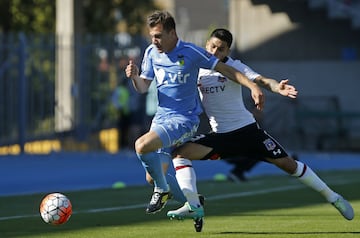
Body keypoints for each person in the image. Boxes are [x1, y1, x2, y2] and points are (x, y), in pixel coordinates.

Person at [166, 29, 354, 230]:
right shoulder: (198, 68)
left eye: (221, 49)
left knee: (289, 165)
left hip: (248, 132)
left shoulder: (234, 66)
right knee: (180, 154)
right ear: (206, 44)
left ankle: (333, 197)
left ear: (228, 51)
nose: (215, 52)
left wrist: (276, 87)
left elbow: (261, 80)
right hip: (221, 137)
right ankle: (195, 205)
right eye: (212, 46)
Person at [125, 11, 264, 215]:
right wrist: (135, 78)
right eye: (152, 36)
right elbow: (144, 87)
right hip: (161, 119)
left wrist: (252, 86)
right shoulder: (151, 52)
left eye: (158, 36)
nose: (154, 40)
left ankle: (163, 190)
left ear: (172, 33)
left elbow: (227, 70)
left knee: (141, 145)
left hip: (184, 120)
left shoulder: (191, 52)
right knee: (153, 176)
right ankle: (193, 202)